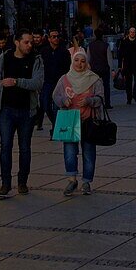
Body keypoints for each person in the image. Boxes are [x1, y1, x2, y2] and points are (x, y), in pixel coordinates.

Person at [0, 28, 44, 199]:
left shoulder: (36, 59)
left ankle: (22, 181)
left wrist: (17, 82)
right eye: (26, 42)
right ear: (17, 42)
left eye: (31, 42)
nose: (30, 45)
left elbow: (38, 83)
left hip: (27, 110)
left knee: (25, 148)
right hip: (6, 110)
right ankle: (5, 183)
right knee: (5, 146)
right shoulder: (6, 57)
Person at [53, 48, 104, 196]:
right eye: (76, 60)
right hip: (70, 120)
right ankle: (72, 180)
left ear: (87, 63)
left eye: (82, 61)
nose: (79, 64)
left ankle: (86, 182)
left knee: (88, 153)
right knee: (69, 152)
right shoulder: (64, 79)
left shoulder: (94, 79)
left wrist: (90, 100)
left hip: (89, 121)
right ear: (72, 61)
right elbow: (55, 96)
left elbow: (101, 99)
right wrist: (63, 100)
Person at [87, 28, 112, 107]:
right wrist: (112, 69)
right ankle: (107, 103)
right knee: (106, 86)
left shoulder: (90, 46)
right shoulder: (106, 45)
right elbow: (109, 59)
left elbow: (88, 58)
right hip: (104, 68)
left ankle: (94, 102)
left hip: (94, 69)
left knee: (94, 87)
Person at [120, 26, 136, 105]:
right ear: (129, 33)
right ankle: (129, 98)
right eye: (131, 32)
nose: (132, 33)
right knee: (128, 82)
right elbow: (120, 54)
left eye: (134, 32)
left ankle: (135, 95)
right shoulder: (124, 42)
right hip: (127, 64)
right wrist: (120, 66)